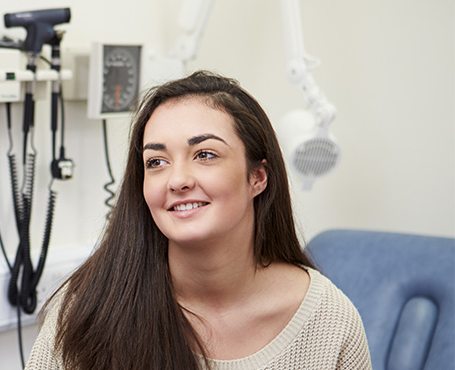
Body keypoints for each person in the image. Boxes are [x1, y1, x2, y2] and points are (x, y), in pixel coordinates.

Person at [26, 71, 371, 370]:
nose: (177, 180)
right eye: (156, 162)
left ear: (258, 177)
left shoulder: (328, 321)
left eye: (205, 155)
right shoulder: (87, 309)